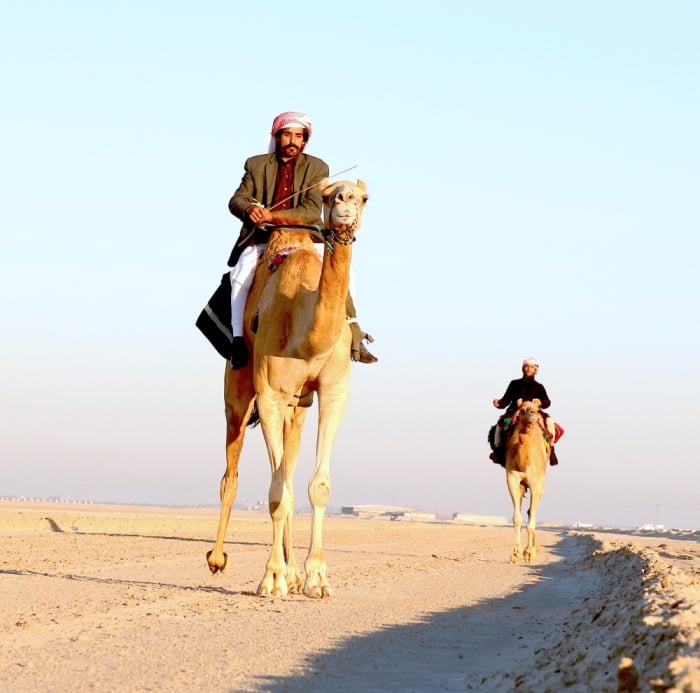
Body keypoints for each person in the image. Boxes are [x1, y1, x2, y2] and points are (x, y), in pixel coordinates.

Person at [226, 110, 377, 369]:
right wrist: (249, 210)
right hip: (264, 238)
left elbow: (309, 211)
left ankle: (354, 333)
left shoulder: (318, 168)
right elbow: (237, 199)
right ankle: (238, 340)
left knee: (340, 273)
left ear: (305, 140)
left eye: (298, 136)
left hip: (306, 237)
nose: (293, 141)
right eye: (287, 135)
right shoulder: (256, 165)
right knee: (240, 275)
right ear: (277, 136)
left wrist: (271, 214)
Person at [489, 357, 559, 467]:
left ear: (535, 370)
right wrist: (499, 403)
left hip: (534, 413)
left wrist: (540, 402)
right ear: (523, 368)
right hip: (515, 411)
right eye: (526, 366)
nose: (528, 369)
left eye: (531, 367)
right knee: (500, 425)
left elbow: (547, 402)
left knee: (549, 422)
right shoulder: (514, 384)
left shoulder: (539, 386)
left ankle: (552, 451)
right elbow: (505, 400)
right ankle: (498, 452)